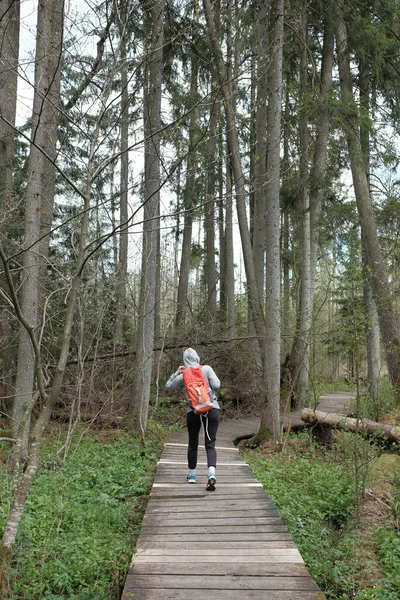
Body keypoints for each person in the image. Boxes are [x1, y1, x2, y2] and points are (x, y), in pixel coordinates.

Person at [165, 347, 221, 491]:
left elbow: (168, 387)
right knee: (210, 444)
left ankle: (192, 475)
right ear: (197, 358)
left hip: (193, 410)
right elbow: (217, 385)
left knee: (193, 442)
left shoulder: (184, 375)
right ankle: (211, 474)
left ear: (184, 360)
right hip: (211, 408)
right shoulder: (207, 369)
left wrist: (176, 373)